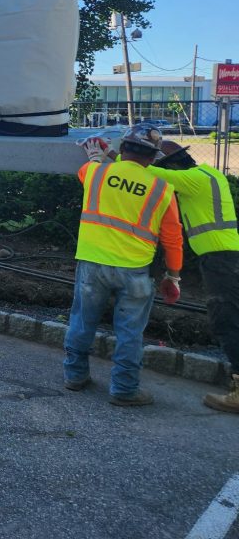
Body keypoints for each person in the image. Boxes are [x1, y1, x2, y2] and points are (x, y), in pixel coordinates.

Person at [66, 124, 183, 406]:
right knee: (130, 332)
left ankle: (75, 376)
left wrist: (97, 156)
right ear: (152, 158)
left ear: (124, 148)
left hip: (92, 263)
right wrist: (173, 276)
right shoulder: (162, 189)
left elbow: (90, 171)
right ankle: (124, 390)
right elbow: (173, 239)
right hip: (135, 270)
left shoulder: (94, 172)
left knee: (82, 322)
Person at [146, 140, 239, 413]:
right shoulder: (210, 173)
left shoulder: (192, 180)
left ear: (174, 166)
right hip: (228, 256)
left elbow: (145, 172)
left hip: (220, 260)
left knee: (226, 320)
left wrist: (109, 155)